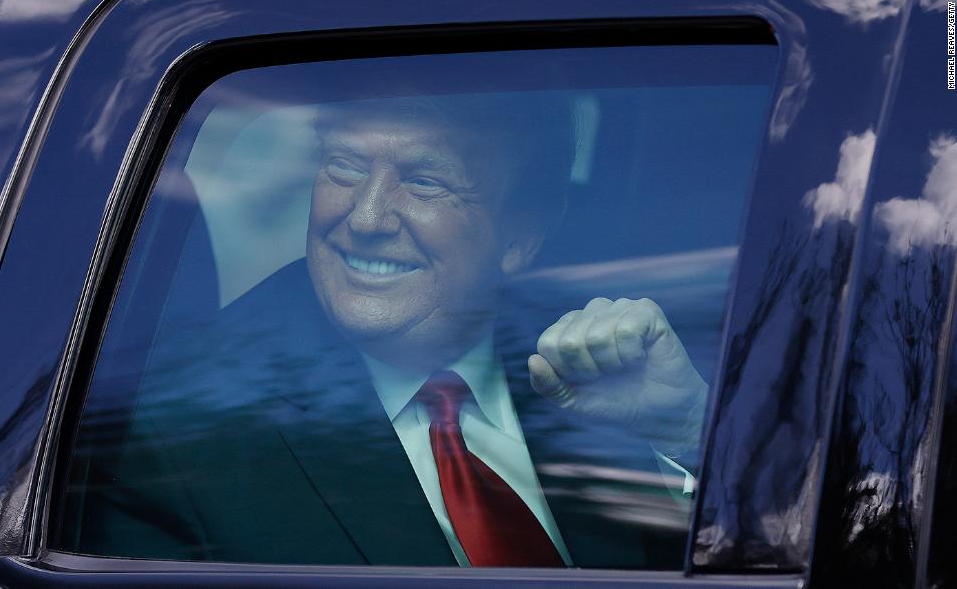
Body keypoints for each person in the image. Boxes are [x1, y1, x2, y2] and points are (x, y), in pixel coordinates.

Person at [70, 94, 708, 569]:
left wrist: (684, 434)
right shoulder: (171, 422)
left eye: (425, 181)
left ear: (523, 233)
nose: (367, 217)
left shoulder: (597, 356)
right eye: (345, 167)